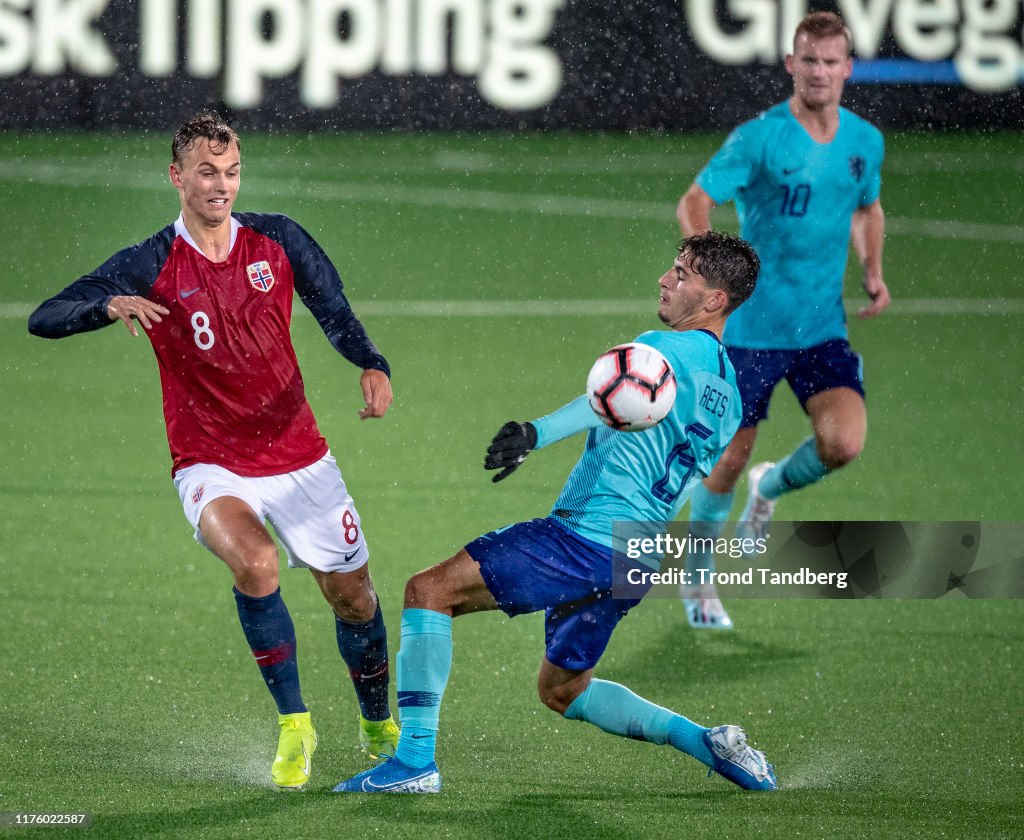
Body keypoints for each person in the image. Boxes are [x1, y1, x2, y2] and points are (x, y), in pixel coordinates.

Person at [28, 111, 399, 790]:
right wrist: (106, 306)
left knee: (355, 600)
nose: (220, 184)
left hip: (301, 458)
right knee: (256, 564)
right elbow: (43, 318)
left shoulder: (278, 240)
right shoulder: (148, 263)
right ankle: (296, 725)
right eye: (205, 171)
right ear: (177, 177)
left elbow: (335, 312)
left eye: (230, 171)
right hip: (210, 461)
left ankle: (378, 720)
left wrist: (371, 362)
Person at [333, 231, 777, 794]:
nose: (665, 280)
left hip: (586, 539)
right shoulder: (732, 397)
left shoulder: (661, 350)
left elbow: (609, 397)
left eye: (682, 274)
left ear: (716, 299)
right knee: (563, 690)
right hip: (638, 556)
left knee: (429, 591)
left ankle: (414, 761)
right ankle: (706, 741)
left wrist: (535, 433)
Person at [675, 11, 889, 630]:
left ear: (848, 68)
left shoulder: (864, 142)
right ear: (790, 65)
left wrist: (872, 269)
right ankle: (698, 582)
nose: (820, 72)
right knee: (725, 462)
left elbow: (868, 208)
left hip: (820, 328)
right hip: (748, 335)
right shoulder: (759, 138)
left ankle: (770, 491)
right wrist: (708, 268)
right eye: (809, 60)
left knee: (842, 443)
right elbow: (695, 199)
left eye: (831, 61)